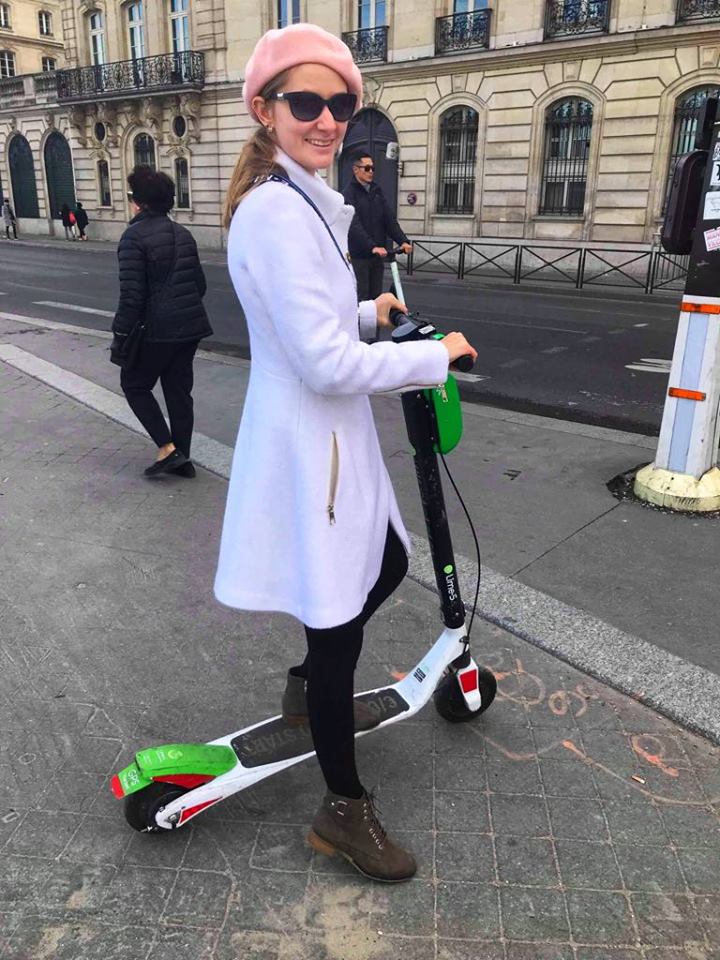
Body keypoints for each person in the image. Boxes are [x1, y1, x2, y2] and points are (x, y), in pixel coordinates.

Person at [214, 23, 476, 883]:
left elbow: (318, 328)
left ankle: (308, 685)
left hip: (329, 443)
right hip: (312, 448)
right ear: (266, 109)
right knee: (339, 631)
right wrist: (435, 356)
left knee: (391, 562)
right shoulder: (278, 213)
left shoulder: (301, 200)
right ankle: (342, 809)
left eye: (339, 104)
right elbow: (322, 363)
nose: (327, 120)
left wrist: (373, 317)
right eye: (305, 103)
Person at [110, 165, 212, 478]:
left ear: (138, 202)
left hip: (156, 331)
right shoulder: (183, 234)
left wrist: (121, 333)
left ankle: (167, 448)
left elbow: (132, 297)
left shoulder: (133, 237)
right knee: (179, 393)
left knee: (134, 384)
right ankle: (183, 459)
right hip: (189, 328)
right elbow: (200, 286)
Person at [343, 150, 412, 301]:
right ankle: (359, 325)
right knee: (362, 299)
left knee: (376, 299)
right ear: (356, 169)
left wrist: (403, 240)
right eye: (367, 168)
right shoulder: (348, 194)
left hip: (376, 258)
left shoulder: (376, 191)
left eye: (373, 168)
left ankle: (375, 325)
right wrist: (371, 246)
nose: (371, 172)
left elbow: (388, 219)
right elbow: (354, 226)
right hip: (359, 258)